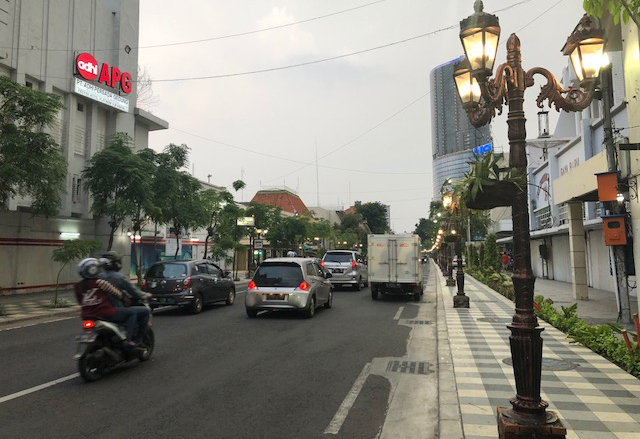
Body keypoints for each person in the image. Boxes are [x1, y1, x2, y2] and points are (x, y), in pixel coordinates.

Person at [75, 258, 140, 349]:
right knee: (132, 313)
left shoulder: (78, 286)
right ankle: (128, 341)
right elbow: (117, 293)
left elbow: (80, 301)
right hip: (105, 313)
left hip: (87, 315)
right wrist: (123, 297)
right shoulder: (100, 282)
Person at [98, 251, 152, 344]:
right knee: (143, 311)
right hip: (115, 310)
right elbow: (134, 292)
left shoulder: (98, 277)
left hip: (100, 311)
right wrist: (145, 295)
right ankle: (131, 340)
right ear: (116, 263)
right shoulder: (119, 277)